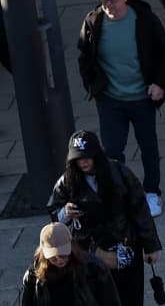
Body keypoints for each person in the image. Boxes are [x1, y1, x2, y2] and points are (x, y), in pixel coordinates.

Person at [75, 0, 165, 220]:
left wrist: (159, 83)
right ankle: (118, 193)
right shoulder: (93, 22)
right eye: (104, 0)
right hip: (111, 98)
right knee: (112, 150)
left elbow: (164, 51)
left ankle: (152, 192)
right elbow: (84, 55)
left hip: (142, 97)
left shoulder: (144, 19)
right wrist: (93, 85)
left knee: (148, 146)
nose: (108, 5)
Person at [48, 128, 159, 306]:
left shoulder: (120, 172)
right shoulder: (66, 182)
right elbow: (55, 215)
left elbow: (140, 210)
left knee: (130, 298)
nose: (83, 162)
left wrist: (151, 246)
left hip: (125, 245)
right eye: (78, 158)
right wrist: (65, 213)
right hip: (89, 252)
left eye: (87, 156)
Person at [19, 221, 118, 306]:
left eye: (63, 254)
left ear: (72, 248)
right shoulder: (34, 274)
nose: (59, 260)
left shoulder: (94, 268)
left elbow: (111, 301)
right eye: (52, 257)